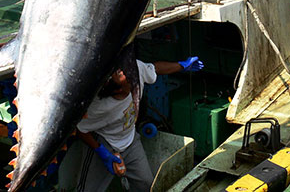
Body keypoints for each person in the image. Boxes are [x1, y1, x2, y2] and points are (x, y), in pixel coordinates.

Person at [75, 46, 204, 192]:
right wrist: (102, 152)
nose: (128, 71)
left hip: (130, 140)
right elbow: (80, 129)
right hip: (105, 142)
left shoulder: (134, 70)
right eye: (119, 73)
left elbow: (154, 69)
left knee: (145, 184)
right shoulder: (98, 107)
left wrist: (182, 65)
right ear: (116, 88)